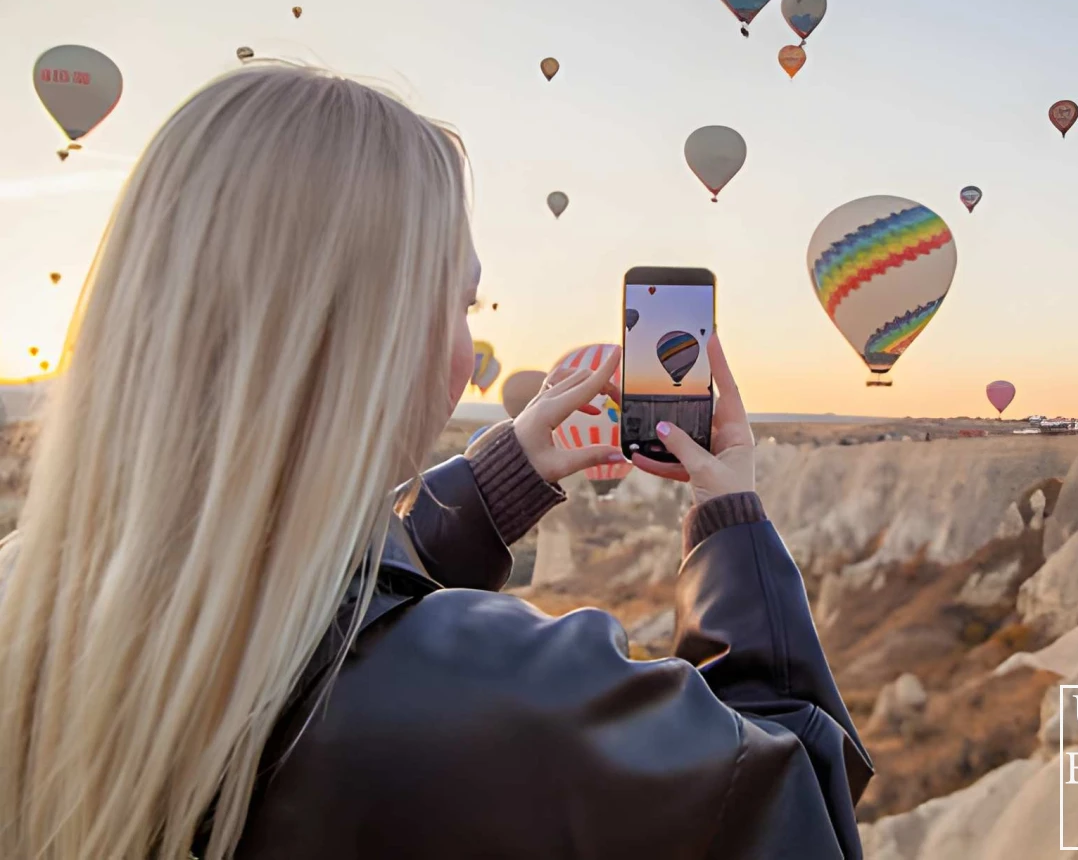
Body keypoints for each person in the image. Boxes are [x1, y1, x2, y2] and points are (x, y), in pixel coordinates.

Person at [0, 65, 873, 860]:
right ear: (380, 334)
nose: (467, 345)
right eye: (462, 301)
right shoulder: (512, 701)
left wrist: (496, 486)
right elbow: (795, 797)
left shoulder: (31, 600)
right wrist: (731, 531)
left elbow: (311, 623)